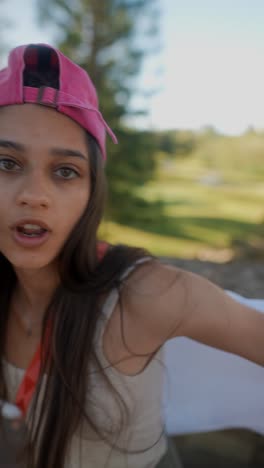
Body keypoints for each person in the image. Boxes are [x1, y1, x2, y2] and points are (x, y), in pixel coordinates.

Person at [0, 43, 262, 468]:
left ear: (91, 193)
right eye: (6, 163)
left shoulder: (143, 294)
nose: (33, 196)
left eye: (65, 171)